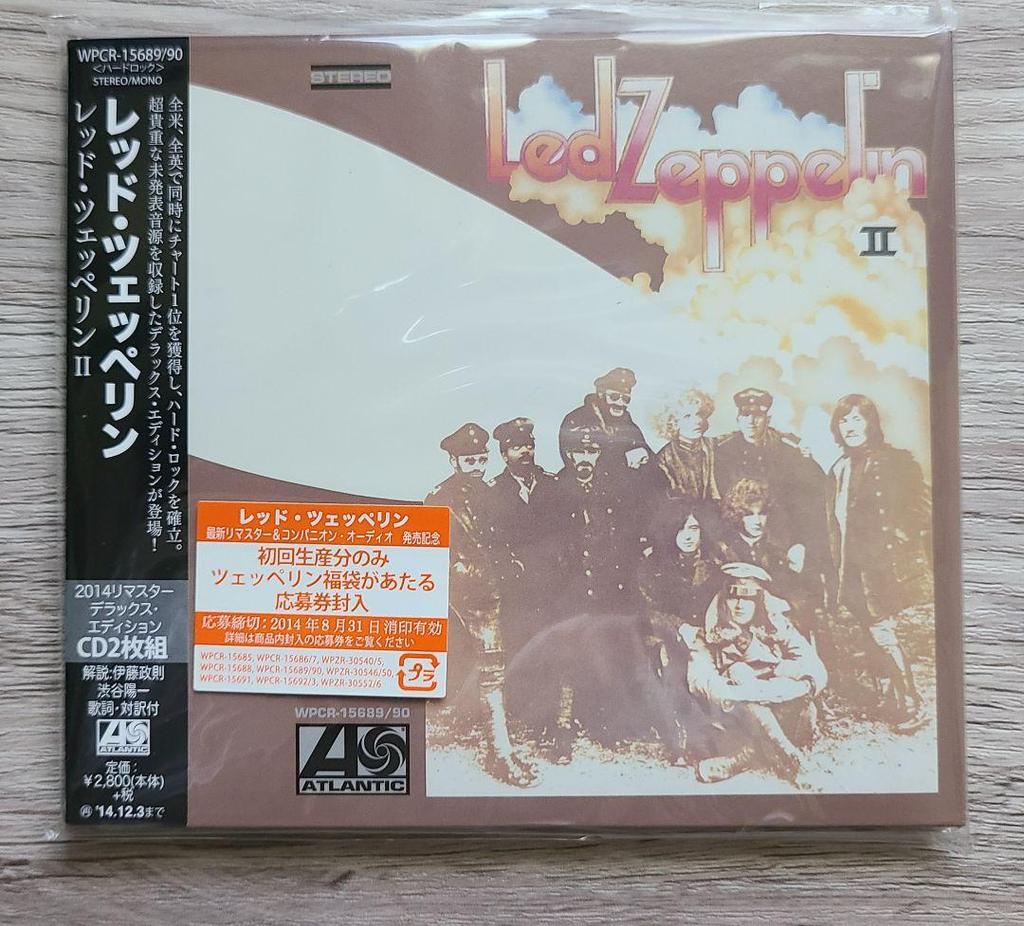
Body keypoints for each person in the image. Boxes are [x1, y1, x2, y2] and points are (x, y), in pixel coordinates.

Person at [425, 422, 536, 787]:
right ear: (454, 461)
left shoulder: (491, 493)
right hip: (469, 595)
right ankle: (501, 753)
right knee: (490, 667)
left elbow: (505, 540)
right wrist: (471, 574)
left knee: (497, 663)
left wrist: (513, 565)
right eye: (469, 461)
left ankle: (478, 728)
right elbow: (436, 554)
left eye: (482, 460)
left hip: (501, 589)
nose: (476, 467)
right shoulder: (438, 499)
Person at [828, 394, 932, 731]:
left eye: (857, 419)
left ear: (871, 424)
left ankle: (912, 704)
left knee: (881, 631)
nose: (850, 427)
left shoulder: (894, 462)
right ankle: (889, 698)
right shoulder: (840, 468)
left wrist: (899, 539)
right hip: (850, 570)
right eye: (844, 420)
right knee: (868, 629)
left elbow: (922, 508)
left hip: (880, 569)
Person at [683, 563, 828, 785]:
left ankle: (740, 760)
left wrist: (793, 683)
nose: (740, 605)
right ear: (723, 599)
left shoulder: (776, 627)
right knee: (739, 673)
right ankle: (792, 757)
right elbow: (705, 684)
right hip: (734, 717)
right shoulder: (707, 634)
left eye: (748, 598)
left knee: (803, 703)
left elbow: (814, 667)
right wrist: (757, 690)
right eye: (733, 597)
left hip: (781, 707)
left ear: (759, 601)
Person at [636, 497, 719, 763]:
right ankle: (689, 739)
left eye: (693, 528)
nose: (688, 536)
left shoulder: (714, 564)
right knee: (674, 668)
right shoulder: (653, 566)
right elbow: (649, 612)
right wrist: (681, 627)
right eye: (680, 529)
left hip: (707, 638)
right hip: (665, 637)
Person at [714, 388, 831, 565]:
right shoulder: (722, 452)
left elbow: (809, 500)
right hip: (734, 541)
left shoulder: (788, 452)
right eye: (745, 415)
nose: (751, 421)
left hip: (781, 539)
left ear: (767, 419)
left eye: (757, 416)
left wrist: (800, 543)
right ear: (738, 419)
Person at [489, 417, 562, 655]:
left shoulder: (553, 484)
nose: (525, 452)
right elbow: (490, 543)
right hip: (515, 591)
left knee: (552, 654)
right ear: (504, 455)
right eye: (516, 447)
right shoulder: (492, 492)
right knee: (520, 654)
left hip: (552, 587)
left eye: (529, 446)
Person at [716, 478, 824, 639]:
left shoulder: (778, 548)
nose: (757, 521)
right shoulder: (724, 549)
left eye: (762, 514)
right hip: (736, 629)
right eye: (749, 515)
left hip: (777, 626)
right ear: (737, 516)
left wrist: (787, 602)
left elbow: (805, 593)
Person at [559, 367, 651, 488]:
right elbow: (582, 463)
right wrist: (624, 459)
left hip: (620, 489)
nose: (620, 403)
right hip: (585, 488)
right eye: (614, 397)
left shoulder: (629, 425)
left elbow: (650, 457)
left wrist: (644, 455)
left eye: (625, 399)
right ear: (601, 394)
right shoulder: (578, 420)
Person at [654, 388, 721, 501]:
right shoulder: (663, 459)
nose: (697, 421)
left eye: (699, 414)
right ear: (673, 422)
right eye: (687, 416)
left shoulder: (714, 446)